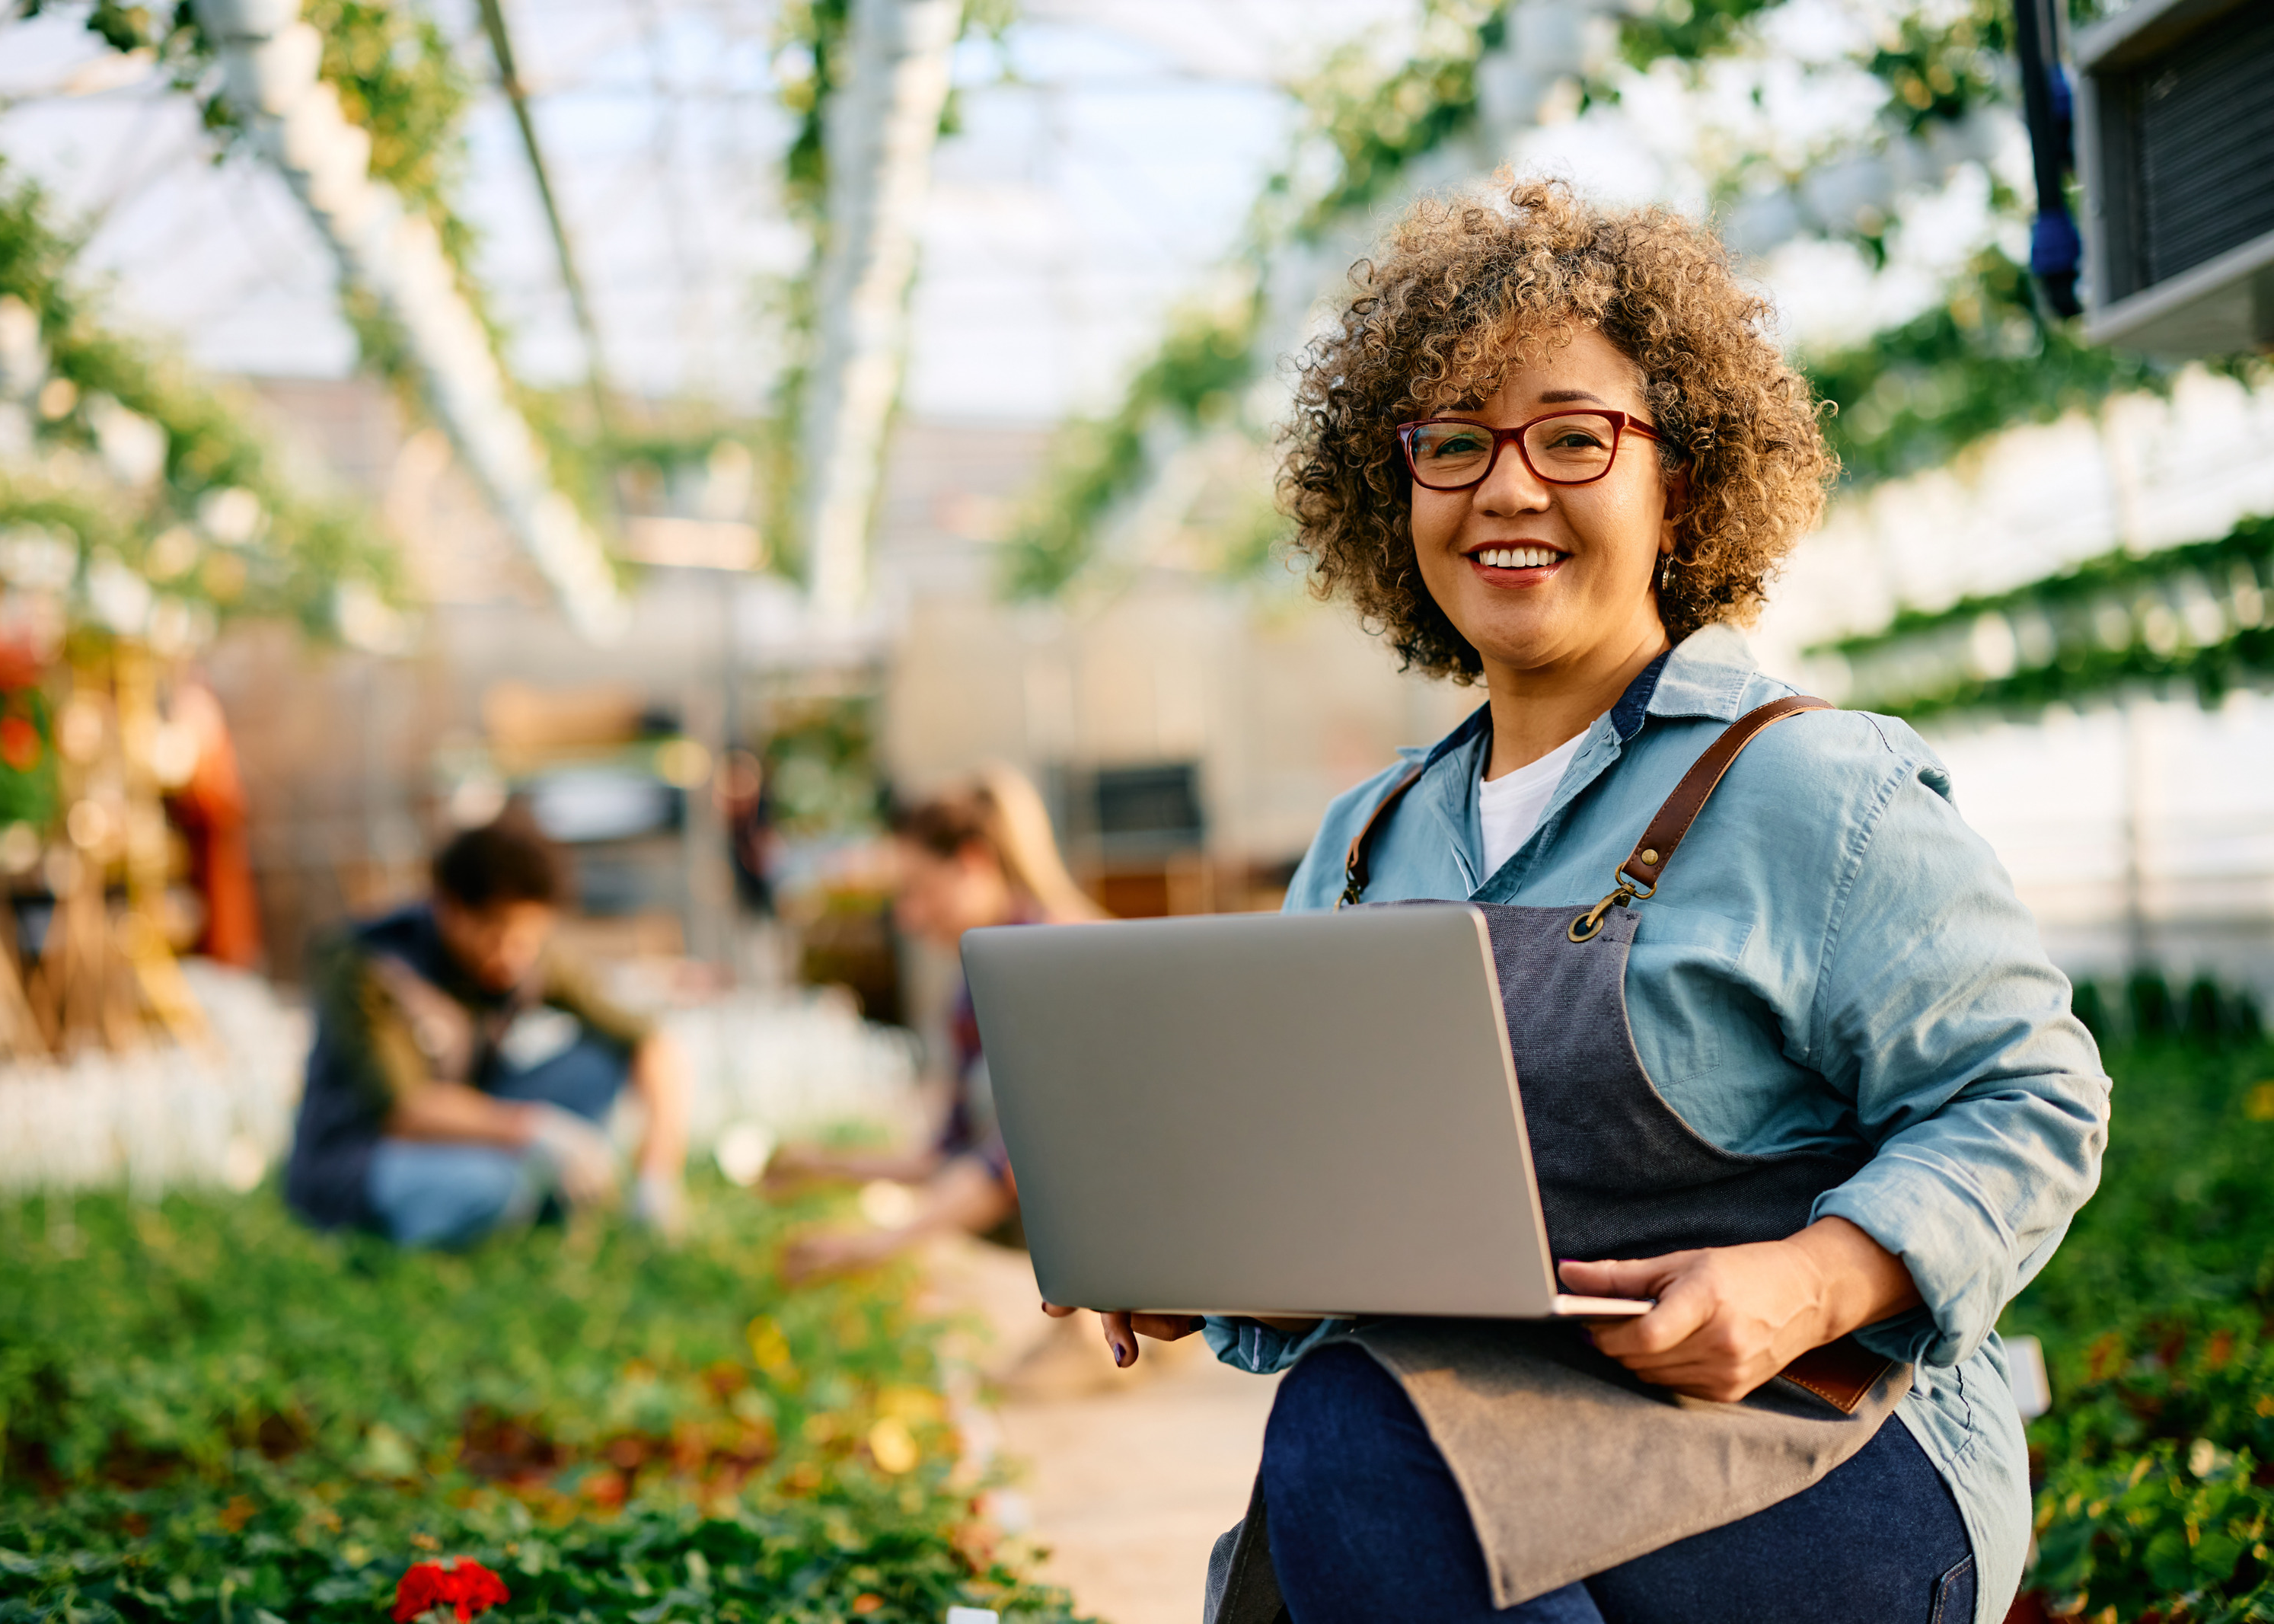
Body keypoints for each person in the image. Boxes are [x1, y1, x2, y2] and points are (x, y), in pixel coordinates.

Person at [1054, 179, 2110, 1624]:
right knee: (1358, 1440)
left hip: (1815, 1444)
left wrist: (1806, 1279)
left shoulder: (1812, 789)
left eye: (1572, 435)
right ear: (1394, 491)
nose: (1505, 488)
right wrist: (1204, 1265)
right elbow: (1338, 1219)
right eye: (1451, 443)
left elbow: (2032, 1096)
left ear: (1682, 477)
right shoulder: (1367, 844)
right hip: (1478, 1439)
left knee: (1354, 1453)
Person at [282, 809, 694, 1249]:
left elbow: (650, 1041)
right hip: (364, 1155)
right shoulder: (371, 961)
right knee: (494, 1186)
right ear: (450, 908)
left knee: (601, 1059)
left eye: (529, 939)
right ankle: (431, 1230)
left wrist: (658, 1175)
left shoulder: (524, 952)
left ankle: (525, 1203)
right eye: (495, 936)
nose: (514, 957)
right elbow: (405, 1111)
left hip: (471, 1128)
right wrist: (538, 1129)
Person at [774, 765, 1104, 1279]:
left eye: (919, 889)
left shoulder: (1049, 963)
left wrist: (878, 1245)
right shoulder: (976, 983)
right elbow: (952, 1152)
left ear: (972, 861)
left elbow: (1022, 1162)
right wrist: (823, 1166)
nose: (908, 916)